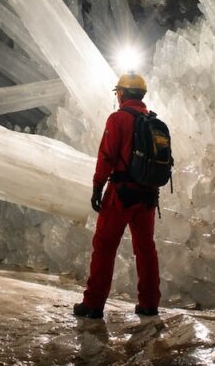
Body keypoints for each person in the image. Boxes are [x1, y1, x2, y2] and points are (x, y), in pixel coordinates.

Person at [73, 72, 160, 320]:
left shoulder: (118, 119)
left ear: (121, 93)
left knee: (104, 246)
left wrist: (97, 187)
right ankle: (149, 303)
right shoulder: (152, 121)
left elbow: (107, 156)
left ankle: (93, 304)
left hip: (121, 193)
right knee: (146, 248)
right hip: (148, 195)